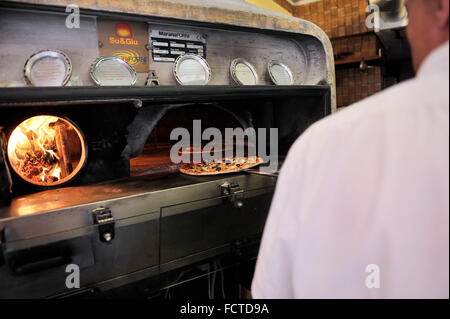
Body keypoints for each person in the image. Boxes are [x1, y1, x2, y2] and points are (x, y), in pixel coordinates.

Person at [252, 0, 449, 299]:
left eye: (409, 10)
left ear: (441, 7)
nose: (409, 29)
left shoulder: (324, 145)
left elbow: (269, 296)